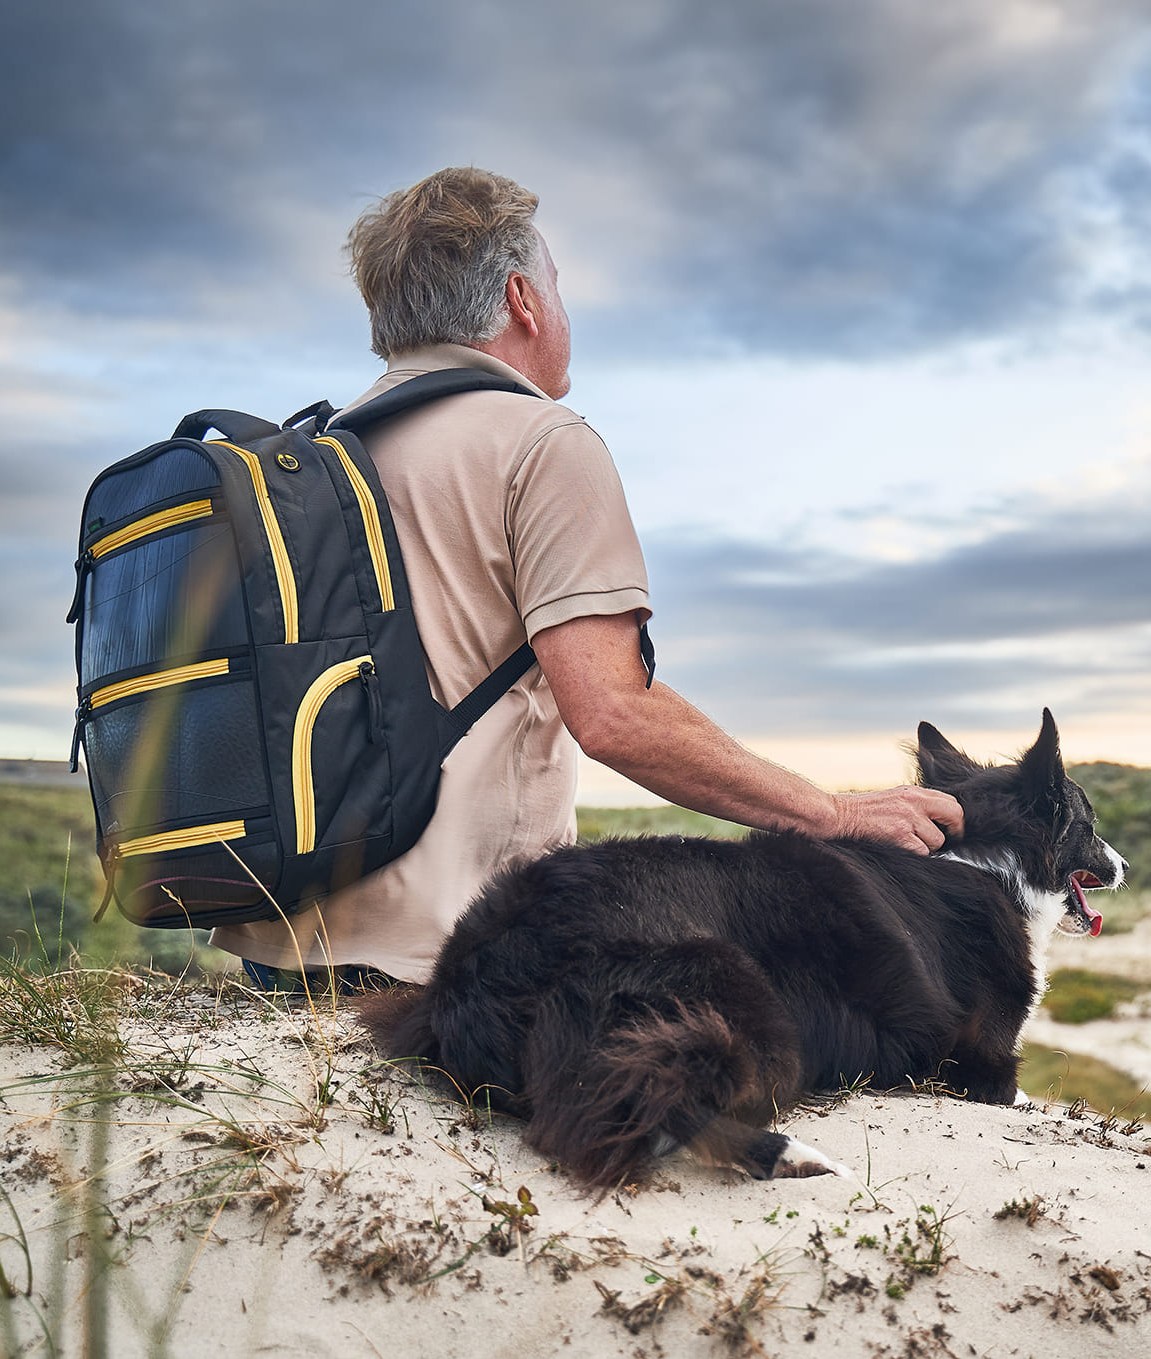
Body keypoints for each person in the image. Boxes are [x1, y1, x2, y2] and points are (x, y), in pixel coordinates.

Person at [210, 167, 962, 992]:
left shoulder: (307, 461)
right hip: (449, 962)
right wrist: (836, 815)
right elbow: (613, 713)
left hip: (276, 943)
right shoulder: (540, 441)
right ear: (524, 299)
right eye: (560, 287)